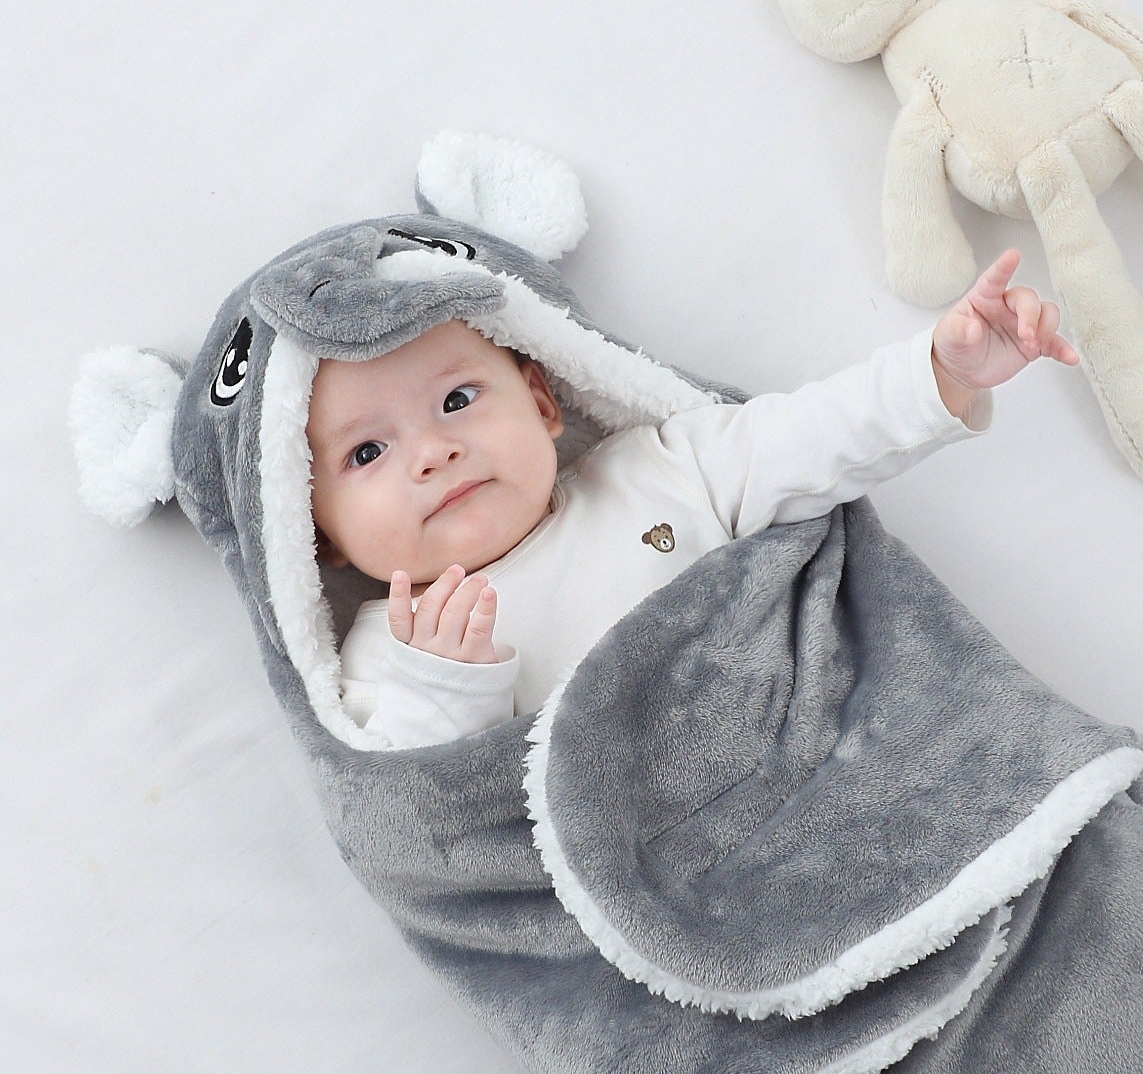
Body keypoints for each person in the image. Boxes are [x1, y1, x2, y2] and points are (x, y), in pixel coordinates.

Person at [307, 247, 1078, 746]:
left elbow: (808, 436)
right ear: (321, 534)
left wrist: (940, 374)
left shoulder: (655, 471)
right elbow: (433, 817)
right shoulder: (386, 658)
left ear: (541, 403)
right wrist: (444, 687)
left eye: (457, 400)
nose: (433, 452)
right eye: (366, 451)